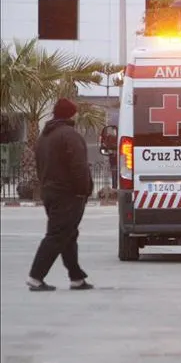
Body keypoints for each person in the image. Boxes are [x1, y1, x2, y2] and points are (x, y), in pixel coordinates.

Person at [27, 98, 94, 291]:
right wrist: (84, 190)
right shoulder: (70, 135)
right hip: (68, 194)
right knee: (57, 235)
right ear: (72, 114)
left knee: (68, 234)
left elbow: (40, 166)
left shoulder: (45, 137)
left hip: (50, 192)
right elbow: (79, 167)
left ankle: (76, 277)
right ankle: (35, 277)